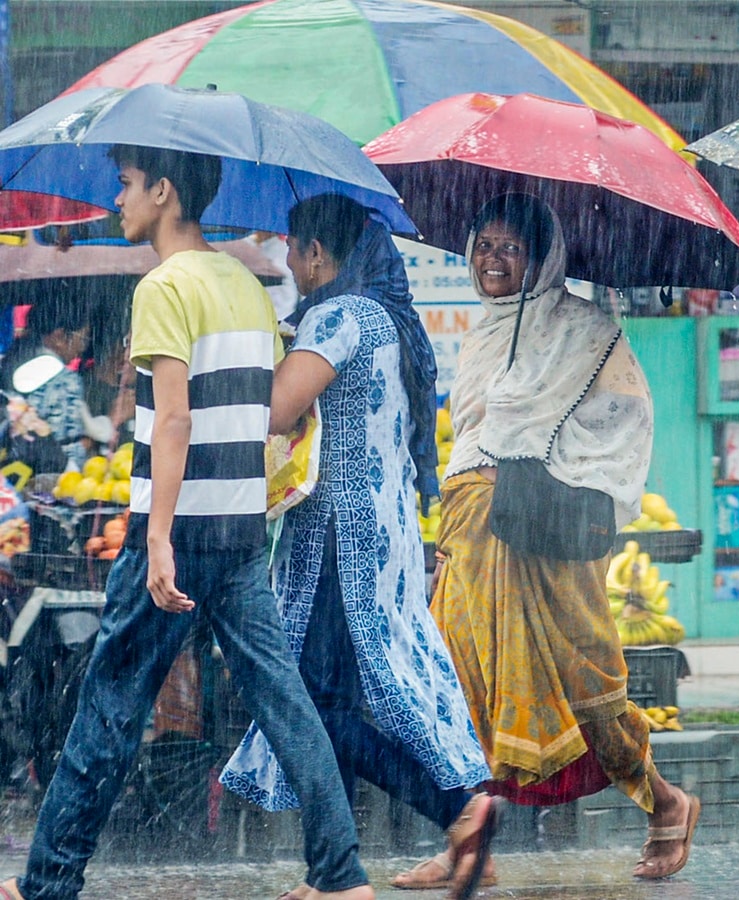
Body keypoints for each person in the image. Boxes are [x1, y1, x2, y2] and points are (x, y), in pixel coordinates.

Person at [0, 148, 374, 900]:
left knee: (108, 709)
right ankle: (341, 875)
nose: (118, 196)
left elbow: (172, 419)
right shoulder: (243, 282)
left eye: (129, 183)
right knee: (284, 704)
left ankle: (49, 882)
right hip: (237, 536)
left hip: (170, 535)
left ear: (164, 191)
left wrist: (160, 537)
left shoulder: (164, 285)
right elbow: (272, 411)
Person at [217, 195, 494, 900]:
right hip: (374, 531)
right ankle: (336, 870)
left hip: (345, 542)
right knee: (326, 699)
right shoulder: (381, 316)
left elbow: (277, 408)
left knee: (311, 708)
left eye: (290, 249)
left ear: (315, 252)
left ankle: (456, 812)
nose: (286, 262)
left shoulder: (341, 317)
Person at [429, 193, 700, 881]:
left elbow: (626, 420)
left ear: (542, 258)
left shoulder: (586, 329)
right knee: (460, 678)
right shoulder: (483, 333)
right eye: (483, 245)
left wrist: (532, 437)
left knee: (585, 682)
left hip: (544, 528)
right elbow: (468, 441)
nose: (492, 260)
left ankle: (666, 803)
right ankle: (467, 842)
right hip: (472, 526)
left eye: (509, 249)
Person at [0, 300, 108, 468]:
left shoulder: (11, 362)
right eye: (83, 337)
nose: (82, 347)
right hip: (42, 481)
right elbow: (68, 451)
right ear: (59, 337)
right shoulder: (64, 381)